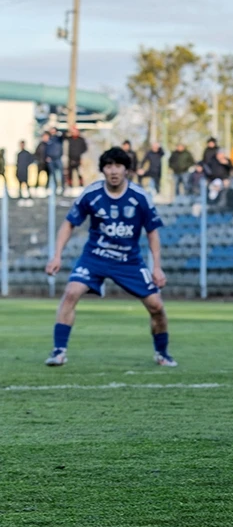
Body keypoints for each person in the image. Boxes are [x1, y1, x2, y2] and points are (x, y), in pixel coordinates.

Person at [43, 147, 174, 367]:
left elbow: (152, 232)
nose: (113, 171)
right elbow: (69, 224)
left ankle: (162, 353)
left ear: (126, 170)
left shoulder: (140, 196)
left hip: (128, 261)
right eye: (109, 166)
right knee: (71, 292)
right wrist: (56, 256)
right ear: (103, 170)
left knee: (156, 307)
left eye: (118, 166)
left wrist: (157, 267)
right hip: (95, 257)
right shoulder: (92, 194)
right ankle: (59, 352)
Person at [45, 129, 65, 193]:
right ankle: (55, 187)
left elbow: (64, 135)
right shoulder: (49, 139)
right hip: (51, 159)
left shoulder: (58, 138)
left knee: (61, 173)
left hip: (58, 158)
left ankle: (62, 187)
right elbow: (46, 149)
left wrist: (59, 132)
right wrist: (47, 156)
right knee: (53, 174)